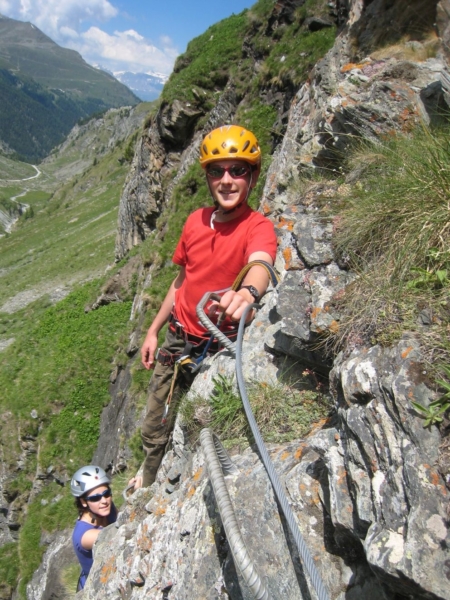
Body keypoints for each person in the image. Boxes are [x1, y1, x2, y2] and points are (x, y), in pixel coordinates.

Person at [131, 124, 277, 490]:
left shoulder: (256, 226)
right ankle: (148, 478)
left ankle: (177, 482)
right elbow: (182, 280)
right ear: (208, 177)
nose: (227, 180)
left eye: (238, 170)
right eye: (217, 171)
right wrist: (152, 330)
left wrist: (248, 294)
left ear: (253, 176)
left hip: (219, 348)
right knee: (155, 424)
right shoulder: (195, 221)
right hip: (178, 340)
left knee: (199, 426)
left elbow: (261, 262)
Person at [70, 465, 117, 590]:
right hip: (95, 588)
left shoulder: (106, 508)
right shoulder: (85, 535)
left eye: (107, 494)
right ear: (84, 502)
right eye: (95, 498)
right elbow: (117, 533)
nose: (104, 501)